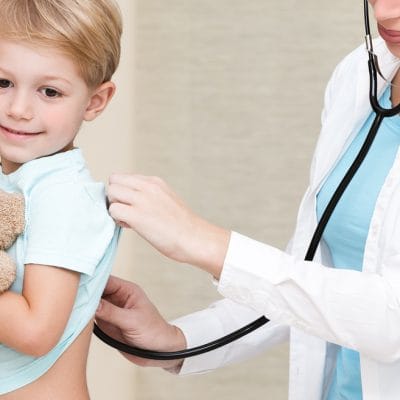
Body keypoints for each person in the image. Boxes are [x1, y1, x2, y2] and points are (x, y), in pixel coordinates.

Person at [95, 0, 400, 399]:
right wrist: (179, 341)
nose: (384, 13)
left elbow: (390, 320)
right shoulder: (360, 74)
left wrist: (206, 244)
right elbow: (313, 270)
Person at [0, 1, 122, 399]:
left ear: (94, 102)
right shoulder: (17, 178)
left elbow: (35, 332)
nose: (18, 109)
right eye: (3, 83)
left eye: (49, 91)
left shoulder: (63, 196)